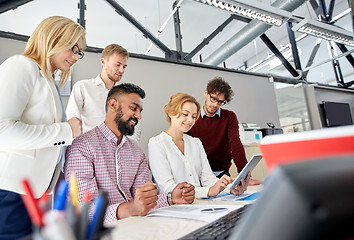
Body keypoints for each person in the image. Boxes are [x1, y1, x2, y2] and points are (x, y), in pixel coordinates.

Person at [0, 16, 85, 239]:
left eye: (80, 52)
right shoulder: (21, 66)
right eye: (73, 48)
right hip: (11, 191)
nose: (76, 56)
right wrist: (65, 131)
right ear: (54, 38)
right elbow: (2, 130)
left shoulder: (48, 80)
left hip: (37, 193)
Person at [64, 83, 195, 224]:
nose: (138, 116)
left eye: (140, 111)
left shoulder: (136, 152)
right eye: (134, 108)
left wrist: (171, 198)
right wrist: (130, 208)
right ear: (113, 105)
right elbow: (84, 209)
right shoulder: (83, 146)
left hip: (136, 226)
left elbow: (142, 202)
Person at [148, 93, 249, 199]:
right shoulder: (157, 143)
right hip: (173, 208)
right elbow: (167, 188)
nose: (190, 120)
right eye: (185, 114)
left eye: (194, 116)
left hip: (198, 205)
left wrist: (230, 188)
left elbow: (208, 179)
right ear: (171, 113)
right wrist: (208, 191)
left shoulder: (195, 142)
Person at [66, 44, 141, 143]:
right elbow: (72, 121)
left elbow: (134, 126)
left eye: (124, 66)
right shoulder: (82, 87)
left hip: (118, 152)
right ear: (103, 61)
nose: (121, 70)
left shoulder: (127, 95)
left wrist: (128, 149)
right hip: (90, 149)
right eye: (117, 65)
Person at [188, 77, 248, 179]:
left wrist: (244, 174)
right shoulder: (192, 116)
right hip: (197, 174)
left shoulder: (229, 117)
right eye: (213, 99)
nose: (215, 104)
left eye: (220, 102)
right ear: (206, 93)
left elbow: (235, 143)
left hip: (222, 174)